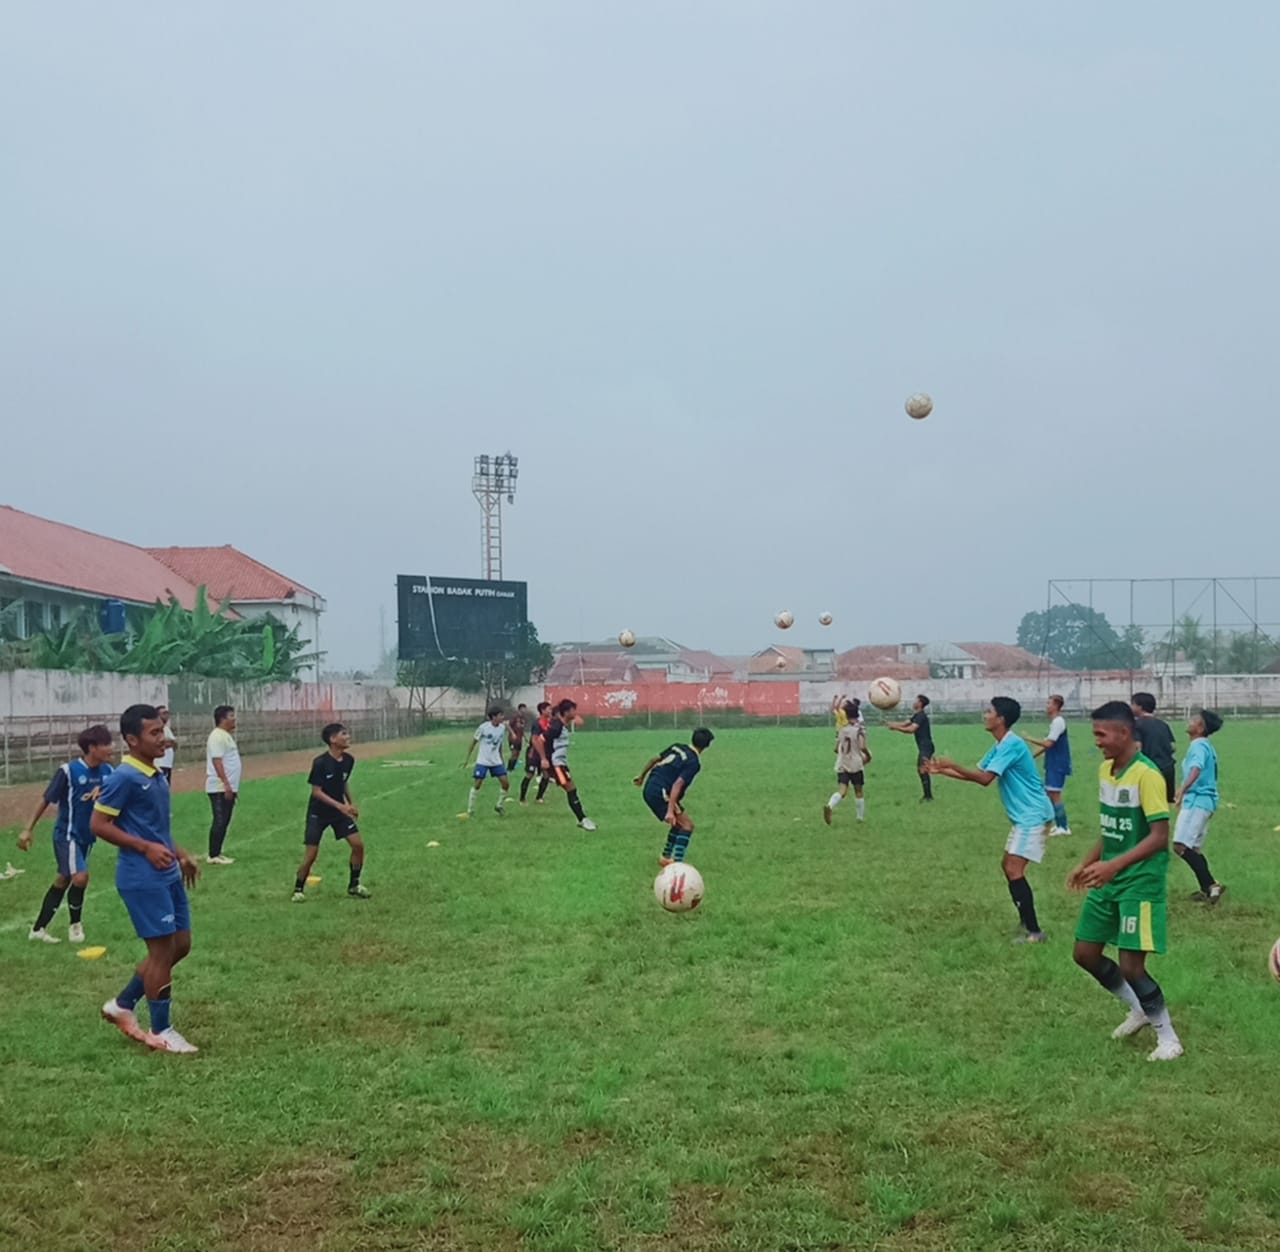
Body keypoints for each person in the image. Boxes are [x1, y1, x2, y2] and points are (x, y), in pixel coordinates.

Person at [1068, 701, 1183, 1061]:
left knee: (1133, 966)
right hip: (1110, 877)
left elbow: (1158, 836)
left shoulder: (1147, 775)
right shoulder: (1107, 771)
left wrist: (1113, 866)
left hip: (1139, 881)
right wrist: (1087, 862)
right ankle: (1138, 1009)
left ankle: (1169, 1039)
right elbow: (1112, 826)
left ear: (1124, 732)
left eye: (1102, 734)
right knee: (1085, 954)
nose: (1098, 741)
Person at [92, 704, 201, 1054]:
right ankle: (162, 1030)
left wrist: (180, 852)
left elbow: (155, 829)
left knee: (179, 946)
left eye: (163, 731)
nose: (163, 739)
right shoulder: (123, 778)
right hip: (142, 877)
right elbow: (98, 825)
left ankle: (122, 1004)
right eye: (155, 733)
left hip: (166, 872)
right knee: (160, 952)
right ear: (131, 739)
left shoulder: (153, 774)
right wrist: (145, 849)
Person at [927, 696, 1054, 943]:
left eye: (989, 711)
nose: (985, 715)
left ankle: (1035, 932)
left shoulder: (1012, 744)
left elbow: (985, 779)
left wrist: (952, 764)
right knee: (1008, 866)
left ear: (1001, 719)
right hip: (1026, 817)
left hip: (1033, 816)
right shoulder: (1001, 744)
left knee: (1013, 869)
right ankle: (1027, 922)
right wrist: (942, 770)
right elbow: (979, 774)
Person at [18, 725, 115, 944]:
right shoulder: (69, 771)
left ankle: (38, 929)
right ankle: (75, 927)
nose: (112, 748)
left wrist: (104, 791)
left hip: (87, 836)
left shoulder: (109, 772)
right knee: (80, 877)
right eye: (106, 744)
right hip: (67, 835)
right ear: (92, 748)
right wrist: (27, 829)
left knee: (64, 878)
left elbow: (120, 791)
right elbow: (46, 799)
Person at [292, 723, 370, 902]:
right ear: (333, 739)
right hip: (318, 814)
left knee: (358, 845)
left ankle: (354, 885)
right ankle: (298, 888)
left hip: (338, 812)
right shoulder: (320, 762)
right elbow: (316, 792)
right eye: (344, 734)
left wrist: (351, 803)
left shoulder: (349, 760)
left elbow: (343, 783)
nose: (348, 736)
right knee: (311, 854)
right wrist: (341, 806)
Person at [634, 729, 714, 864]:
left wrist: (642, 776)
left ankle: (665, 858)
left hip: (651, 786)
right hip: (661, 792)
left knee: (678, 824)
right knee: (687, 826)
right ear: (707, 746)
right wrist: (670, 811)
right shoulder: (693, 762)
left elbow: (654, 759)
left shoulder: (677, 747)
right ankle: (678, 864)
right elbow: (677, 784)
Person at [1173, 708, 1224, 904]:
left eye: (1194, 719)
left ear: (1200, 727)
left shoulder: (1198, 746)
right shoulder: (1205, 745)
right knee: (1192, 848)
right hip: (1204, 802)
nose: (1190, 721)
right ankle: (1208, 888)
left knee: (1180, 845)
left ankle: (1211, 885)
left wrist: (1182, 789)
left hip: (1197, 801)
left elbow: (1196, 768)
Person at [538, 699, 597, 830]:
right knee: (571, 789)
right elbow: (540, 740)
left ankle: (582, 819)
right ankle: (583, 819)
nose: (575, 713)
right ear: (566, 712)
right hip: (557, 764)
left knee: (571, 789)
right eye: (573, 710)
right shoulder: (556, 727)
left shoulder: (561, 724)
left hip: (561, 764)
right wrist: (544, 759)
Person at [1024, 694, 1073, 835]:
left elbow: (1048, 743)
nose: (1046, 706)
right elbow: (1047, 746)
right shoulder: (1055, 723)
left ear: (1056, 706)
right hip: (1053, 763)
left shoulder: (1058, 722)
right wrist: (1030, 757)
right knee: (1050, 793)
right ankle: (1058, 824)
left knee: (1055, 794)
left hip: (1058, 764)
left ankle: (1063, 827)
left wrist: (1028, 738)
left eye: (1049, 703)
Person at [205, 705, 242, 865]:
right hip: (219, 787)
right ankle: (213, 855)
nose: (234, 719)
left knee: (225, 820)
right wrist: (226, 783)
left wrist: (233, 787)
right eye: (231, 716)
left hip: (227, 787)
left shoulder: (225, 735)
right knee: (220, 820)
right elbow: (217, 760)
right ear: (222, 719)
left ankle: (217, 852)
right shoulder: (217, 736)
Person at [825, 699, 870, 824]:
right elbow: (862, 747)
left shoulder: (841, 730)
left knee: (842, 791)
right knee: (858, 790)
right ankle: (860, 818)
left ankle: (830, 805)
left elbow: (836, 749)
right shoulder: (859, 729)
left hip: (842, 763)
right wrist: (868, 756)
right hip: (856, 763)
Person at [461, 706, 511, 818]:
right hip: (483, 761)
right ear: (494, 717)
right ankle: (470, 811)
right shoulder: (483, 727)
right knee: (478, 784)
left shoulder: (502, 728)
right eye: (500, 715)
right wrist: (467, 759)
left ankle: (499, 805)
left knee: (506, 783)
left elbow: (499, 744)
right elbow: (473, 742)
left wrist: (501, 759)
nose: (502, 717)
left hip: (496, 761)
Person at [887, 694, 936, 801]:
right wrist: (892, 724)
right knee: (921, 769)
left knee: (922, 769)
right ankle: (927, 795)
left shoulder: (921, 716)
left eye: (915, 700)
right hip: (923, 746)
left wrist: (896, 728)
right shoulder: (916, 715)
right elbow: (905, 724)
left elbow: (911, 729)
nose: (913, 702)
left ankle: (928, 796)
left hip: (926, 747)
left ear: (920, 704)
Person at [1131, 693, 1176, 803]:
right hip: (1168, 769)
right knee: (1164, 805)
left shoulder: (1136, 725)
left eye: (1133, 704)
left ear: (1140, 707)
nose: (1131, 707)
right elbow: (1173, 747)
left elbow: (1137, 748)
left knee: (1146, 804)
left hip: (1149, 771)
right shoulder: (1163, 724)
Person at [519, 701, 553, 804]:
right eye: (549, 709)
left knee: (546, 775)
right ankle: (522, 799)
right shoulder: (537, 723)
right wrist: (539, 755)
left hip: (545, 753)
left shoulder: (550, 723)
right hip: (534, 753)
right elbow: (534, 739)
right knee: (530, 774)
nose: (550, 711)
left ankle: (539, 797)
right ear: (542, 710)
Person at [157, 705, 177, 783]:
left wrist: (170, 742)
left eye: (167, 713)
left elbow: (175, 744)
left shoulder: (166, 728)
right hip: (160, 763)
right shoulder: (158, 729)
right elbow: (159, 744)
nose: (167, 715)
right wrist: (170, 742)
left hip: (167, 763)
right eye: (164, 713)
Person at [507, 703, 529, 772]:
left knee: (518, 753)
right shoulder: (515, 717)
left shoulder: (523, 718)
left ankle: (512, 767)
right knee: (514, 753)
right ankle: (509, 768)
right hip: (513, 739)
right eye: (523, 708)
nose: (525, 710)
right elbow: (508, 725)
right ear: (520, 709)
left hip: (519, 739)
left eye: (525, 708)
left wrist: (525, 738)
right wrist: (513, 734)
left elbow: (522, 729)